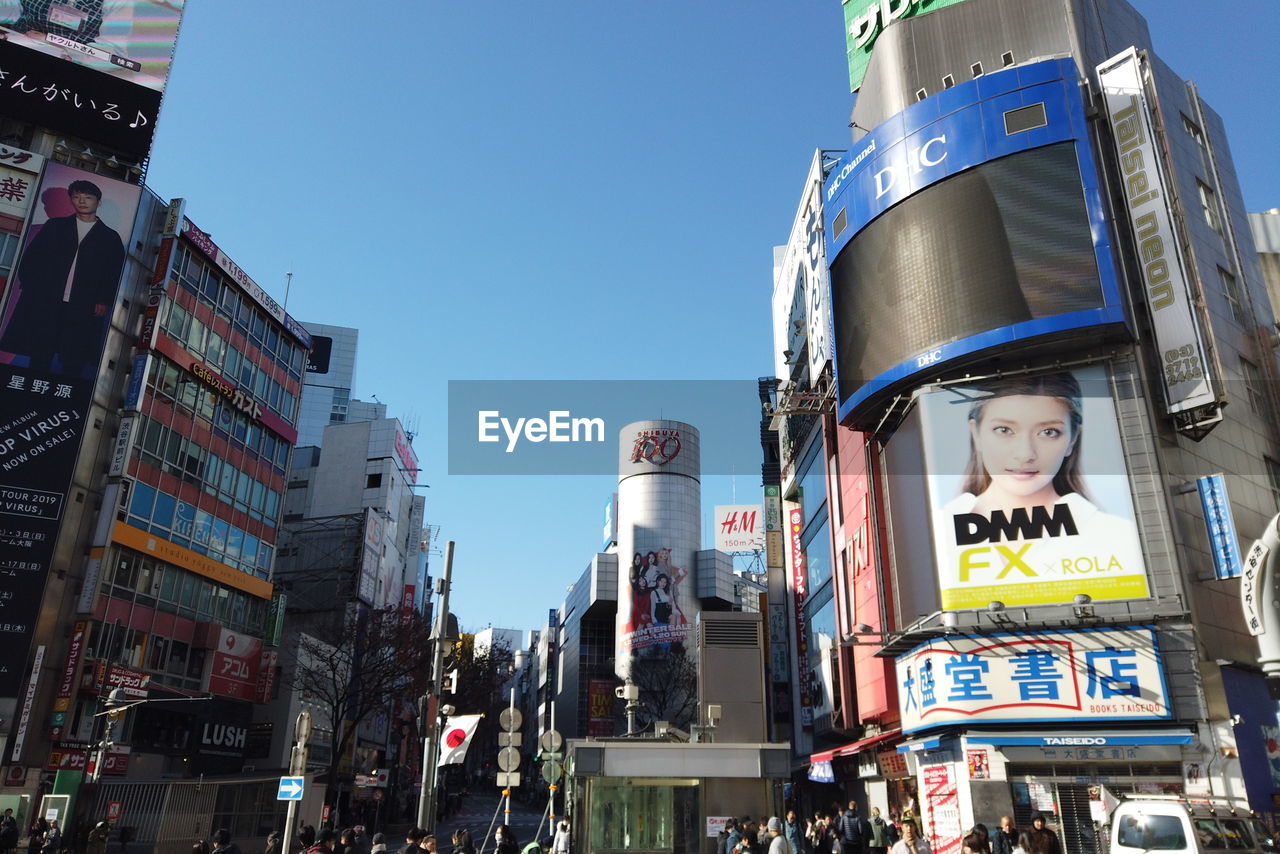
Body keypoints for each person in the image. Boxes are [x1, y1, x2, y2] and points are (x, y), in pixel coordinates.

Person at [932, 371, 1143, 603]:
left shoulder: (1119, 537)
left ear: (1072, 439)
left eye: (1048, 432)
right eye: (1004, 430)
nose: (1025, 454)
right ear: (976, 433)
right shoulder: (935, 535)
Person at [0, 178, 127, 377]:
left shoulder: (109, 237)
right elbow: (31, 258)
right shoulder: (55, 226)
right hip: (47, 299)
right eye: (76, 197)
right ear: (71, 200)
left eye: (88, 197)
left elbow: (114, 272)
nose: (82, 201)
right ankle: (31, 389)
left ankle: (65, 395)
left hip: (85, 303)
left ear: (98, 202)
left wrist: (104, 300)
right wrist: (32, 287)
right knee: (40, 350)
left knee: (74, 356)